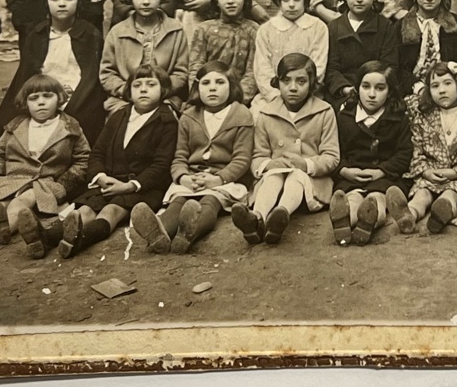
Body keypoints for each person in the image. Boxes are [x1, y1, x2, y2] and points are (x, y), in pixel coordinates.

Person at [130, 62, 254, 254]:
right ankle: (158, 234)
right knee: (178, 202)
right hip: (192, 178)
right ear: (197, 88)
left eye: (220, 82)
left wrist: (219, 178)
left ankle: (188, 234)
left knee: (210, 202)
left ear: (232, 86)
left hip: (224, 179)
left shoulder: (242, 115)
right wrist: (183, 177)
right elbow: (179, 156)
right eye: (206, 83)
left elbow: (241, 159)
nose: (212, 88)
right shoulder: (188, 116)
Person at [58, 64, 179, 258]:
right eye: (137, 85)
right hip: (110, 181)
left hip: (142, 187)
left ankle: (81, 240)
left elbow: (161, 165)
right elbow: (97, 152)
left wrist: (130, 186)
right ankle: (47, 237)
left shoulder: (167, 121)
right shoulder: (119, 116)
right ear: (129, 91)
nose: (143, 89)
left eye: (151, 84)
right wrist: (100, 176)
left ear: (163, 90)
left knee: (111, 210)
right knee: (86, 210)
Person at [0, 74, 89, 257]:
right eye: (34, 98)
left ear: (59, 98)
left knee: (22, 202)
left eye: (47, 96)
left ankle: (0, 232)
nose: (41, 102)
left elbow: (83, 159)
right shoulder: (16, 126)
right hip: (13, 179)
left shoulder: (70, 128)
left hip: (45, 183)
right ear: (26, 103)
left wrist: (63, 184)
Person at [231, 54, 339, 246]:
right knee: (273, 176)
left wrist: (306, 163)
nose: (293, 87)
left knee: (296, 177)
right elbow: (257, 155)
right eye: (286, 81)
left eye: (301, 81)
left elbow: (331, 156)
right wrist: (269, 164)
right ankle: (257, 218)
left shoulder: (324, 111)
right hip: (275, 179)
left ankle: (281, 214)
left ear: (312, 83)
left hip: (310, 185)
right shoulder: (266, 112)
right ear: (277, 82)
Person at [0, 0, 107, 150]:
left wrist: (70, 99)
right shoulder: (38, 34)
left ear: (79, 2)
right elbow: (28, 74)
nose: (62, 3)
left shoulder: (90, 34)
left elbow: (91, 77)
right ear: (46, 3)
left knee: (84, 124)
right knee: (8, 124)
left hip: (79, 96)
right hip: (43, 93)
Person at [391, 61, 457, 235]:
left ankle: (442, 213)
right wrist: (426, 171)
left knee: (451, 194)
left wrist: (455, 173)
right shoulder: (423, 117)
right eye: (435, 86)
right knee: (421, 194)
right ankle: (409, 215)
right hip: (431, 172)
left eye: (447, 83)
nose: (442, 90)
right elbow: (416, 147)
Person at [329, 62, 413, 246]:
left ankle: (368, 223)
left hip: (384, 176)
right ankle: (344, 221)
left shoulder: (398, 118)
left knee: (377, 199)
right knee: (351, 197)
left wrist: (382, 171)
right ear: (357, 88)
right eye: (366, 87)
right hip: (352, 175)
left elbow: (404, 153)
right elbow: (334, 150)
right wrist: (344, 171)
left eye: (380, 88)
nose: (372, 94)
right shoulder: (344, 117)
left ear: (390, 91)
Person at [100, 0, 188, 113]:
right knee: (120, 121)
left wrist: (159, 91)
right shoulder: (117, 32)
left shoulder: (175, 30)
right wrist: (129, 91)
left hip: (165, 97)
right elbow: (107, 73)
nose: (146, 2)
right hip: (125, 98)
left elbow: (181, 73)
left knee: (166, 120)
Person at [325, 0, 400, 102]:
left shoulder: (385, 26)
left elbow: (390, 67)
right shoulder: (334, 27)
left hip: (376, 93)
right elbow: (332, 69)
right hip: (343, 94)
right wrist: (345, 89)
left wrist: (374, 89)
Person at [252, 0, 329, 105]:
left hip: (308, 95)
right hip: (273, 98)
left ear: (305, 0)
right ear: (278, 0)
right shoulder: (265, 30)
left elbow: (318, 67)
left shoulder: (318, 27)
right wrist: (276, 98)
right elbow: (262, 70)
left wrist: (300, 93)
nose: (291, 4)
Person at [187, 0, 259, 101]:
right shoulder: (204, 29)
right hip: (208, 97)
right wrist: (202, 96)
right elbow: (196, 67)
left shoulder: (253, 30)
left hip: (239, 101)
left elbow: (252, 73)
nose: (230, 1)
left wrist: (237, 100)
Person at [396, 0, 457, 94]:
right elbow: (397, 67)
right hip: (412, 87)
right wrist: (416, 87)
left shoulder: (454, 23)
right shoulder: (401, 25)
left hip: (447, 85)